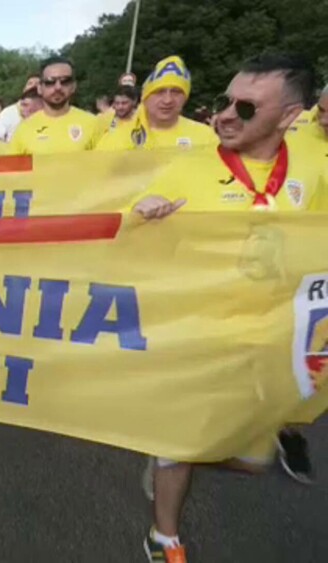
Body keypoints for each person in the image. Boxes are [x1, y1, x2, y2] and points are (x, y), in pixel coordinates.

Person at [132, 54, 323, 563]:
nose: (227, 115)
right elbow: (132, 224)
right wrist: (145, 215)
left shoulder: (313, 168)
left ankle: (174, 456)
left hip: (268, 336)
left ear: (288, 116)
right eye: (224, 102)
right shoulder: (190, 165)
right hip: (193, 332)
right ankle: (165, 537)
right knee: (180, 441)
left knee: (254, 458)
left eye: (246, 106)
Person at [97, 56, 217, 152]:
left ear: (185, 98)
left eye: (176, 92)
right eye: (159, 92)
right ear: (146, 97)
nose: (167, 100)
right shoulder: (117, 138)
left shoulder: (207, 138)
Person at [10, 57, 101, 154]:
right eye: (50, 82)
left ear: (74, 86)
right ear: (40, 88)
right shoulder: (24, 129)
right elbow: (12, 168)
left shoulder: (93, 124)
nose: (58, 87)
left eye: (65, 81)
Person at [0, 74, 41, 141]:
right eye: (30, 83)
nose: (34, 86)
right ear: (24, 89)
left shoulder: (49, 114)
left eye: (38, 84)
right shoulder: (8, 113)